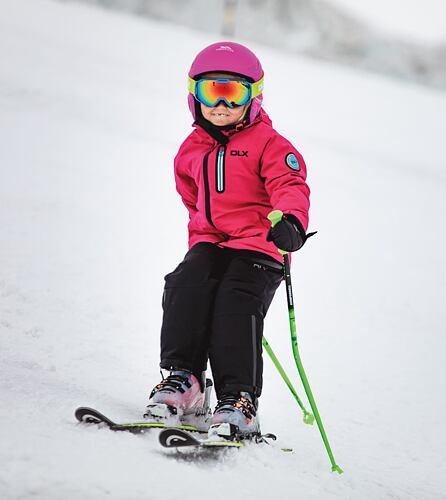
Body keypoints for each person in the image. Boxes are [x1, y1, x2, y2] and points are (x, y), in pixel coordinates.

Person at [144, 42, 311, 439]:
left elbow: (291, 185)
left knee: (236, 300)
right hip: (211, 242)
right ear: (193, 96)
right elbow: (191, 195)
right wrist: (204, 230)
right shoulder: (191, 150)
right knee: (185, 285)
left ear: (252, 96)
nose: (219, 104)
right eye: (209, 91)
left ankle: (240, 402)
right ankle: (185, 381)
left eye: (231, 92)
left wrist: (291, 221)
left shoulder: (271, 145)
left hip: (259, 246)